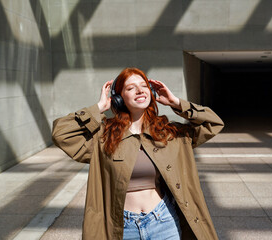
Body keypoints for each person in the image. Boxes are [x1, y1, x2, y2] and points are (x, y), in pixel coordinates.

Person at [52, 67, 224, 240]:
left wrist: (176, 102)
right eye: (130, 88)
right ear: (119, 98)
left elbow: (214, 123)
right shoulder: (104, 135)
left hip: (163, 221)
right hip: (122, 227)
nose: (140, 90)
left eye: (144, 86)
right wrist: (98, 108)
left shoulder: (168, 133)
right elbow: (61, 133)